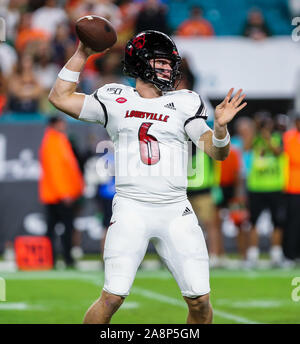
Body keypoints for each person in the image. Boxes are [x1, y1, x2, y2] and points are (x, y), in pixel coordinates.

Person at [48, 30, 246, 324]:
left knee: (200, 302)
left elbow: (216, 152)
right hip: (131, 207)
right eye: (161, 62)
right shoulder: (115, 97)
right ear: (140, 63)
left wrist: (219, 129)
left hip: (175, 209)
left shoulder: (185, 102)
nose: (169, 69)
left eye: (170, 63)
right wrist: (82, 53)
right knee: (112, 297)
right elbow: (59, 97)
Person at [39, 116, 84, 267]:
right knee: (64, 228)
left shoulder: (57, 140)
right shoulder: (53, 142)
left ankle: (50, 260)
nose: (64, 125)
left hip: (57, 194)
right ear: (54, 124)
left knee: (53, 228)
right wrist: (64, 192)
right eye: (61, 122)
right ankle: (65, 259)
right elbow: (56, 171)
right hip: (59, 195)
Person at [246, 113, 286, 268]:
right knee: (253, 221)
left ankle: (276, 254)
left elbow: (278, 152)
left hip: (274, 186)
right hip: (256, 187)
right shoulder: (255, 138)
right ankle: (253, 255)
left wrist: (266, 136)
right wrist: (255, 131)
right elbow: (247, 147)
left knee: (277, 221)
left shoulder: (277, 137)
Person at [282, 115, 300, 260]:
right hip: (293, 187)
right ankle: (290, 254)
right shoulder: (288, 137)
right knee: (292, 222)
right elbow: (294, 157)